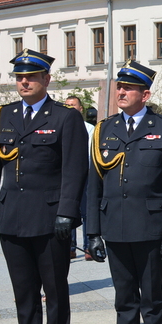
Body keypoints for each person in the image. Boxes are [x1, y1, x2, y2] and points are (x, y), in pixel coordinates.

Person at [0, 49, 88, 324]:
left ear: (46, 79)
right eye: (20, 78)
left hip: (51, 218)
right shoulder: (4, 116)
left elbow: (75, 170)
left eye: (32, 77)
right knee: (23, 291)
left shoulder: (65, 118)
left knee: (54, 289)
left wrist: (67, 213)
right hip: (11, 216)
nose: (24, 82)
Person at [85, 62, 162, 324]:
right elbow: (94, 185)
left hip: (150, 228)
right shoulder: (105, 129)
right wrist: (92, 232)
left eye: (128, 88)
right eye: (119, 87)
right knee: (124, 297)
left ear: (145, 94)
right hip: (114, 226)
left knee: (152, 297)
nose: (121, 92)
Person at [65, 95, 95, 260]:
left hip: (86, 175)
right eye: (67, 105)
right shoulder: (60, 125)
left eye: (73, 105)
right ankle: (70, 246)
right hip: (67, 178)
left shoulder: (89, 128)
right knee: (69, 211)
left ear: (80, 108)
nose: (70, 107)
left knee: (87, 213)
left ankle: (88, 246)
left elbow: (91, 154)